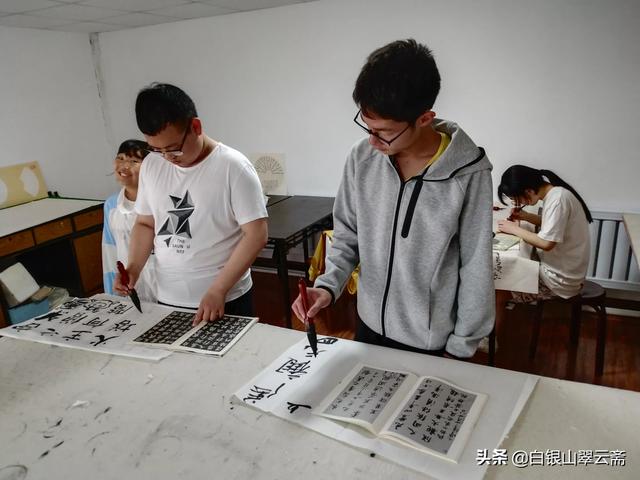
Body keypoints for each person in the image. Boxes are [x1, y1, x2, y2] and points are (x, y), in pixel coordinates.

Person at [292, 39, 495, 359]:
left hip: (428, 339)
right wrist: (328, 286)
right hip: (368, 321)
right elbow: (347, 235)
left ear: (424, 118)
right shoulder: (361, 158)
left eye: (384, 132)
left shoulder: (468, 174)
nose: (372, 142)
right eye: (367, 128)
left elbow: (475, 264)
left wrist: (461, 346)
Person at [114, 83, 268, 324]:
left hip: (224, 299)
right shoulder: (152, 164)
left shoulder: (233, 167)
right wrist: (133, 267)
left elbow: (256, 234)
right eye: (157, 149)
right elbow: (145, 223)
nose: (168, 158)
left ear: (195, 127)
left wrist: (219, 289)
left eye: (173, 149)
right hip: (167, 297)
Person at [496, 165, 592, 302]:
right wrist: (526, 216)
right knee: (506, 272)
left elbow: (546, 244)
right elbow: (554, 225)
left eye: (518, 199)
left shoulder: (558, 200)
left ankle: (499, 315)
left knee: (499, 285)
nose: (520, 203)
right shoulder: (556, 194)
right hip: (565, 273)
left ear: (528, 191)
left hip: (560, 282)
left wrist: (513, 229)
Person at [102, 139, 157, 303]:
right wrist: (111, 296)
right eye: (120, 158)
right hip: (128, 285)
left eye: (134, 161)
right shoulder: (111, 205)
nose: (124, 166)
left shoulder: (159, 202)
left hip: (161, 284)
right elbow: (109, 251)